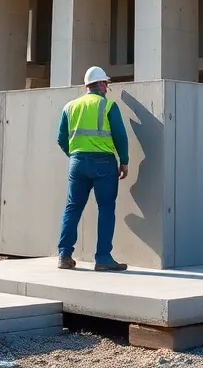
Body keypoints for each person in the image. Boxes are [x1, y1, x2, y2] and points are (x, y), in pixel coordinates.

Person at [56, 65, 130, 271]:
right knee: (106, 207)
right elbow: (120, 136)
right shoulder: (107, 106)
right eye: (106, 83)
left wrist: (74, 155)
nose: (107, 87)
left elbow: (61, 139)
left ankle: (64, 255)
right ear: (100, 84)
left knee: (73, 207)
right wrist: (124, 161)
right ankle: (103, 258)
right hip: (103, 164)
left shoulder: (70, 106)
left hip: (77, 163)